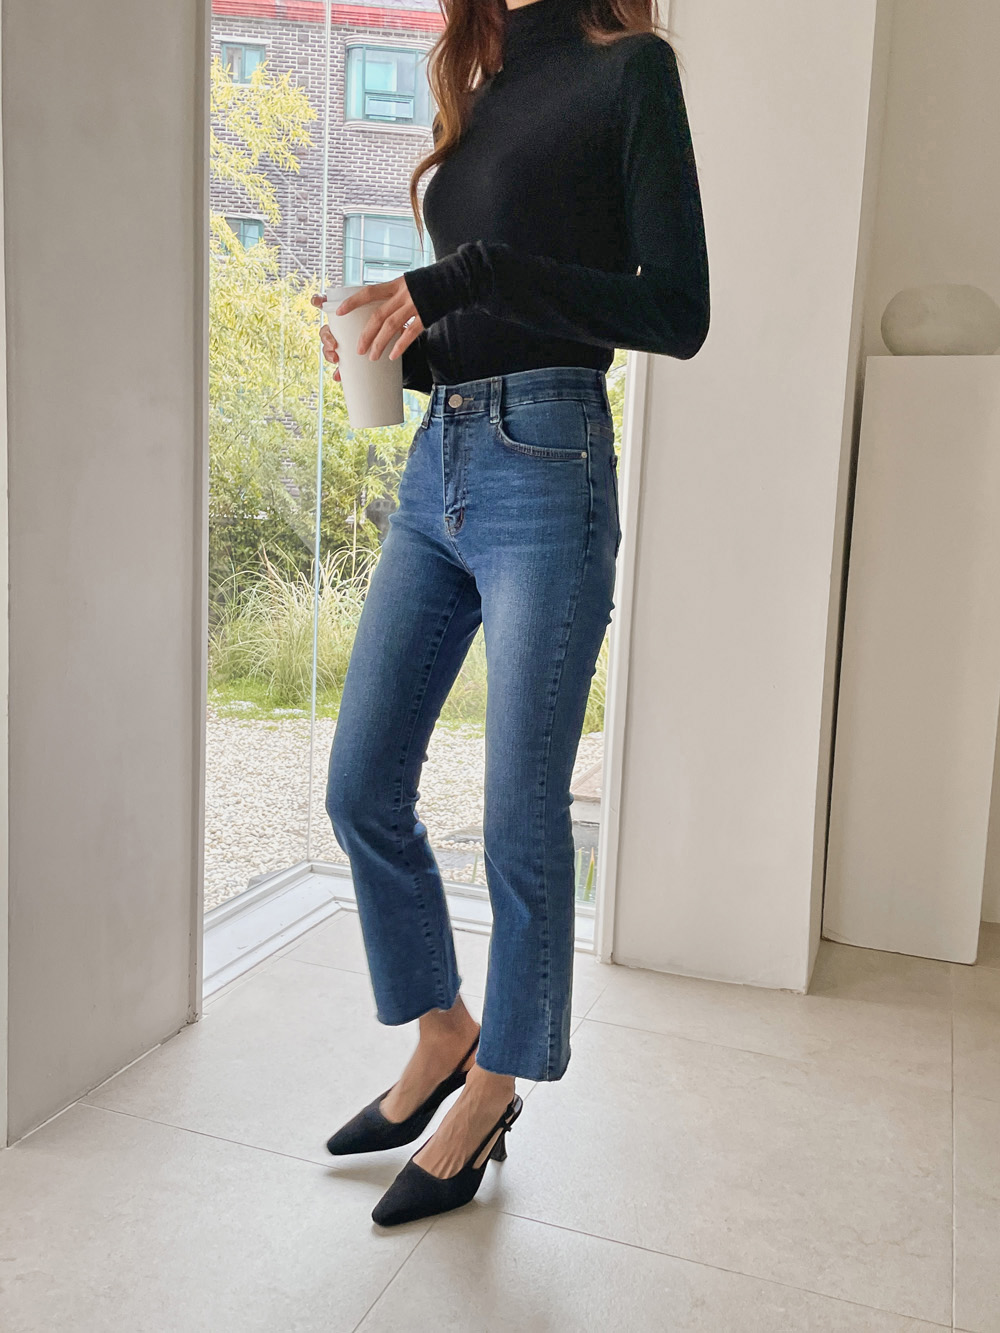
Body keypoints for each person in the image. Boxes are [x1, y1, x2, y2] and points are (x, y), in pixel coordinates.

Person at [312, 0, 709, 1228]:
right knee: (360, 783)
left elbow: (675, 311)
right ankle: (443, 1029)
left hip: (549, 460)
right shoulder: (479, 86)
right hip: (439, 456)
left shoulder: (631, 73)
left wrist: (468, 275)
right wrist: (396, 351)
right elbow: (475, 325)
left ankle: (493, 1088)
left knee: (519, 812)